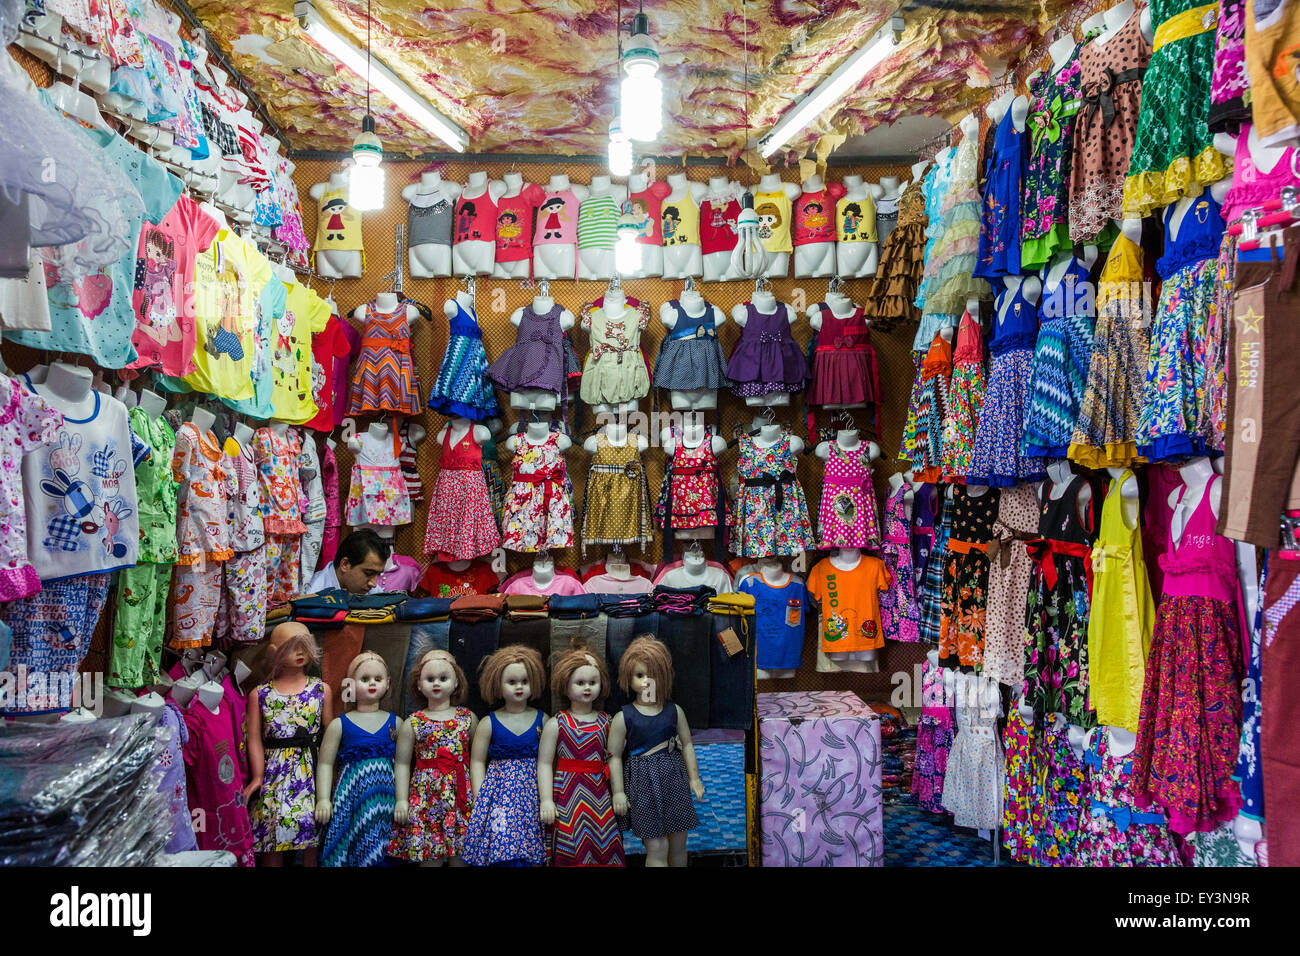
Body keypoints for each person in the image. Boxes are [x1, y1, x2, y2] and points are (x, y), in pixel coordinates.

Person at [305, 529, 391, 595]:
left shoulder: (371, 590)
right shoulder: (314, 594)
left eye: (378, 574)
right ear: (345, 564)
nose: (374, 584)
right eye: (368, 573)